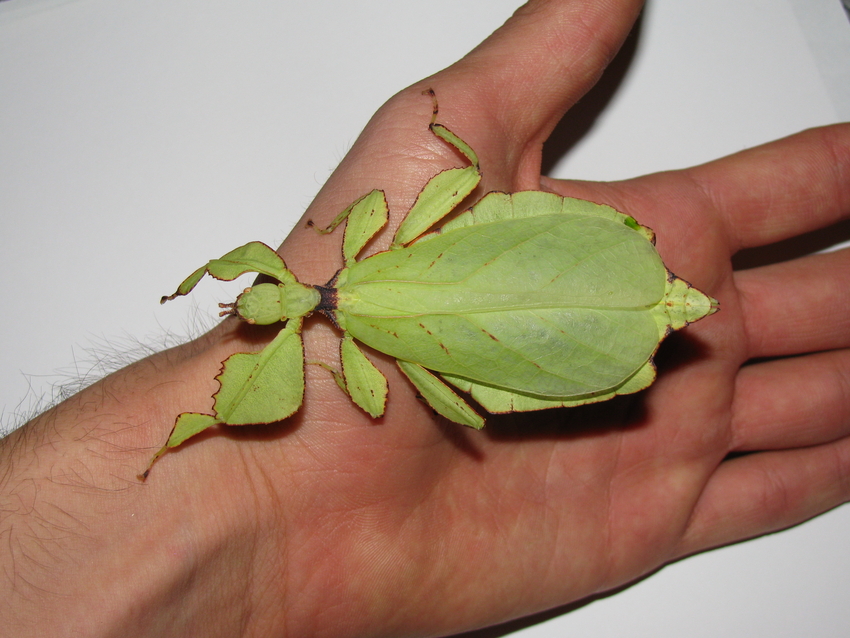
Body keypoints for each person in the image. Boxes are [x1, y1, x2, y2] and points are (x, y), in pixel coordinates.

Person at [2, 0, 848, 635]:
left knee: (469, 400)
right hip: (569, 309)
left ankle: (646, 305)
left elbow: (387, 395)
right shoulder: (360, 269)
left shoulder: (353, 343)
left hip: (590, 298)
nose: (260, 301)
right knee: (470, 392)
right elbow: (410, 211)